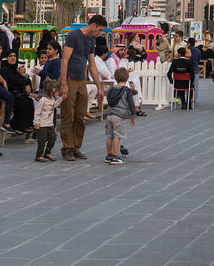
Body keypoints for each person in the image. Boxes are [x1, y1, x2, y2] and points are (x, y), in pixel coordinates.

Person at [59, 15, 108, 161]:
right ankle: (67, 148)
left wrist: (99, 87)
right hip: (69, 79)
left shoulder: (90, 41)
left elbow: (92, 65)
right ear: (93, 25)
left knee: (80, 115)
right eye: (99, 30)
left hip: (82, 80)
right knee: (68, 114)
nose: (99, 33)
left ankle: (76, 147)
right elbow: (65, 60)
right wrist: (63, 83)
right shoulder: (74, 36)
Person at [104, 67, 137, 164]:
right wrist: (133, 116)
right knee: (117, 136)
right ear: (127, 78)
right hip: (118, 116)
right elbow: (131, 104)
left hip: (109, 114)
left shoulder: (111, 90)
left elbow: (109, 101)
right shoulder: (126, 91)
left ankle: (108, 155)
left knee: (109, 136)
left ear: (115, 78)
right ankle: (115, 156)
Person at [0, 50, 35, 135]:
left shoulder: (13, 69)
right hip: (5, 97)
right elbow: (15, 80)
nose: (13, 58)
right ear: (6, 58)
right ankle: (15, 126)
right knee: (22, 103)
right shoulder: (4, 69)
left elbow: (22, 79)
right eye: (10, 56)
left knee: (29, 101)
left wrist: (27, 84)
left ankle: (26, 125)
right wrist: (26, 82)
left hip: (14, 95)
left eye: (14, 56)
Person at [34, 78, 59, 162]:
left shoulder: (52, 99)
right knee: (42, 141)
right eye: (57, 92)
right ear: (51, 91)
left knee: (53, 137)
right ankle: (39, 155)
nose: (58, 93)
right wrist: (36, 123)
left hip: (50, 124)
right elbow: (37, 112)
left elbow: (54, 105)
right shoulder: (43, 100)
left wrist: (61, 99)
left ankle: (47, 152)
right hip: (42, 124)